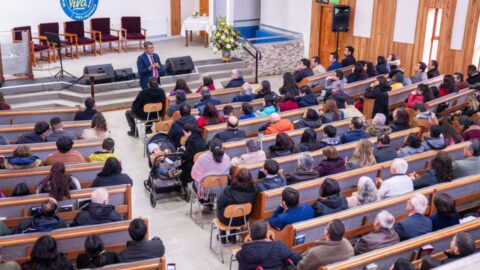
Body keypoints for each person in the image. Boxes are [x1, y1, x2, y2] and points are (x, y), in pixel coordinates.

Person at [236, 220, 301, 269]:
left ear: (250, 236)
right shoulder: (278, 247)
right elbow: (297, 258)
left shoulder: (241, 254)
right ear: (267, 235)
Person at [216, 168, 257, 243]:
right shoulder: (253, 190)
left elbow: (219, 203)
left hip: (227, 220)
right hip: (243, 218)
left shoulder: (229, 189)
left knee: (221, 208)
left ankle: (222, 237)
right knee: (235, 209)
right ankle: (232, 237)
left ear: (237, 177)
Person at [191, 139, 231, 212]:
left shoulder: (202, 158)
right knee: (209, 182)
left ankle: (207, 203)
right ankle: (210, 203)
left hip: (207, 190)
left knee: (194, 183)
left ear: (209, 148)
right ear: (222, 148)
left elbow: (193, 174)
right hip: (222, 188)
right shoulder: (227, 158)